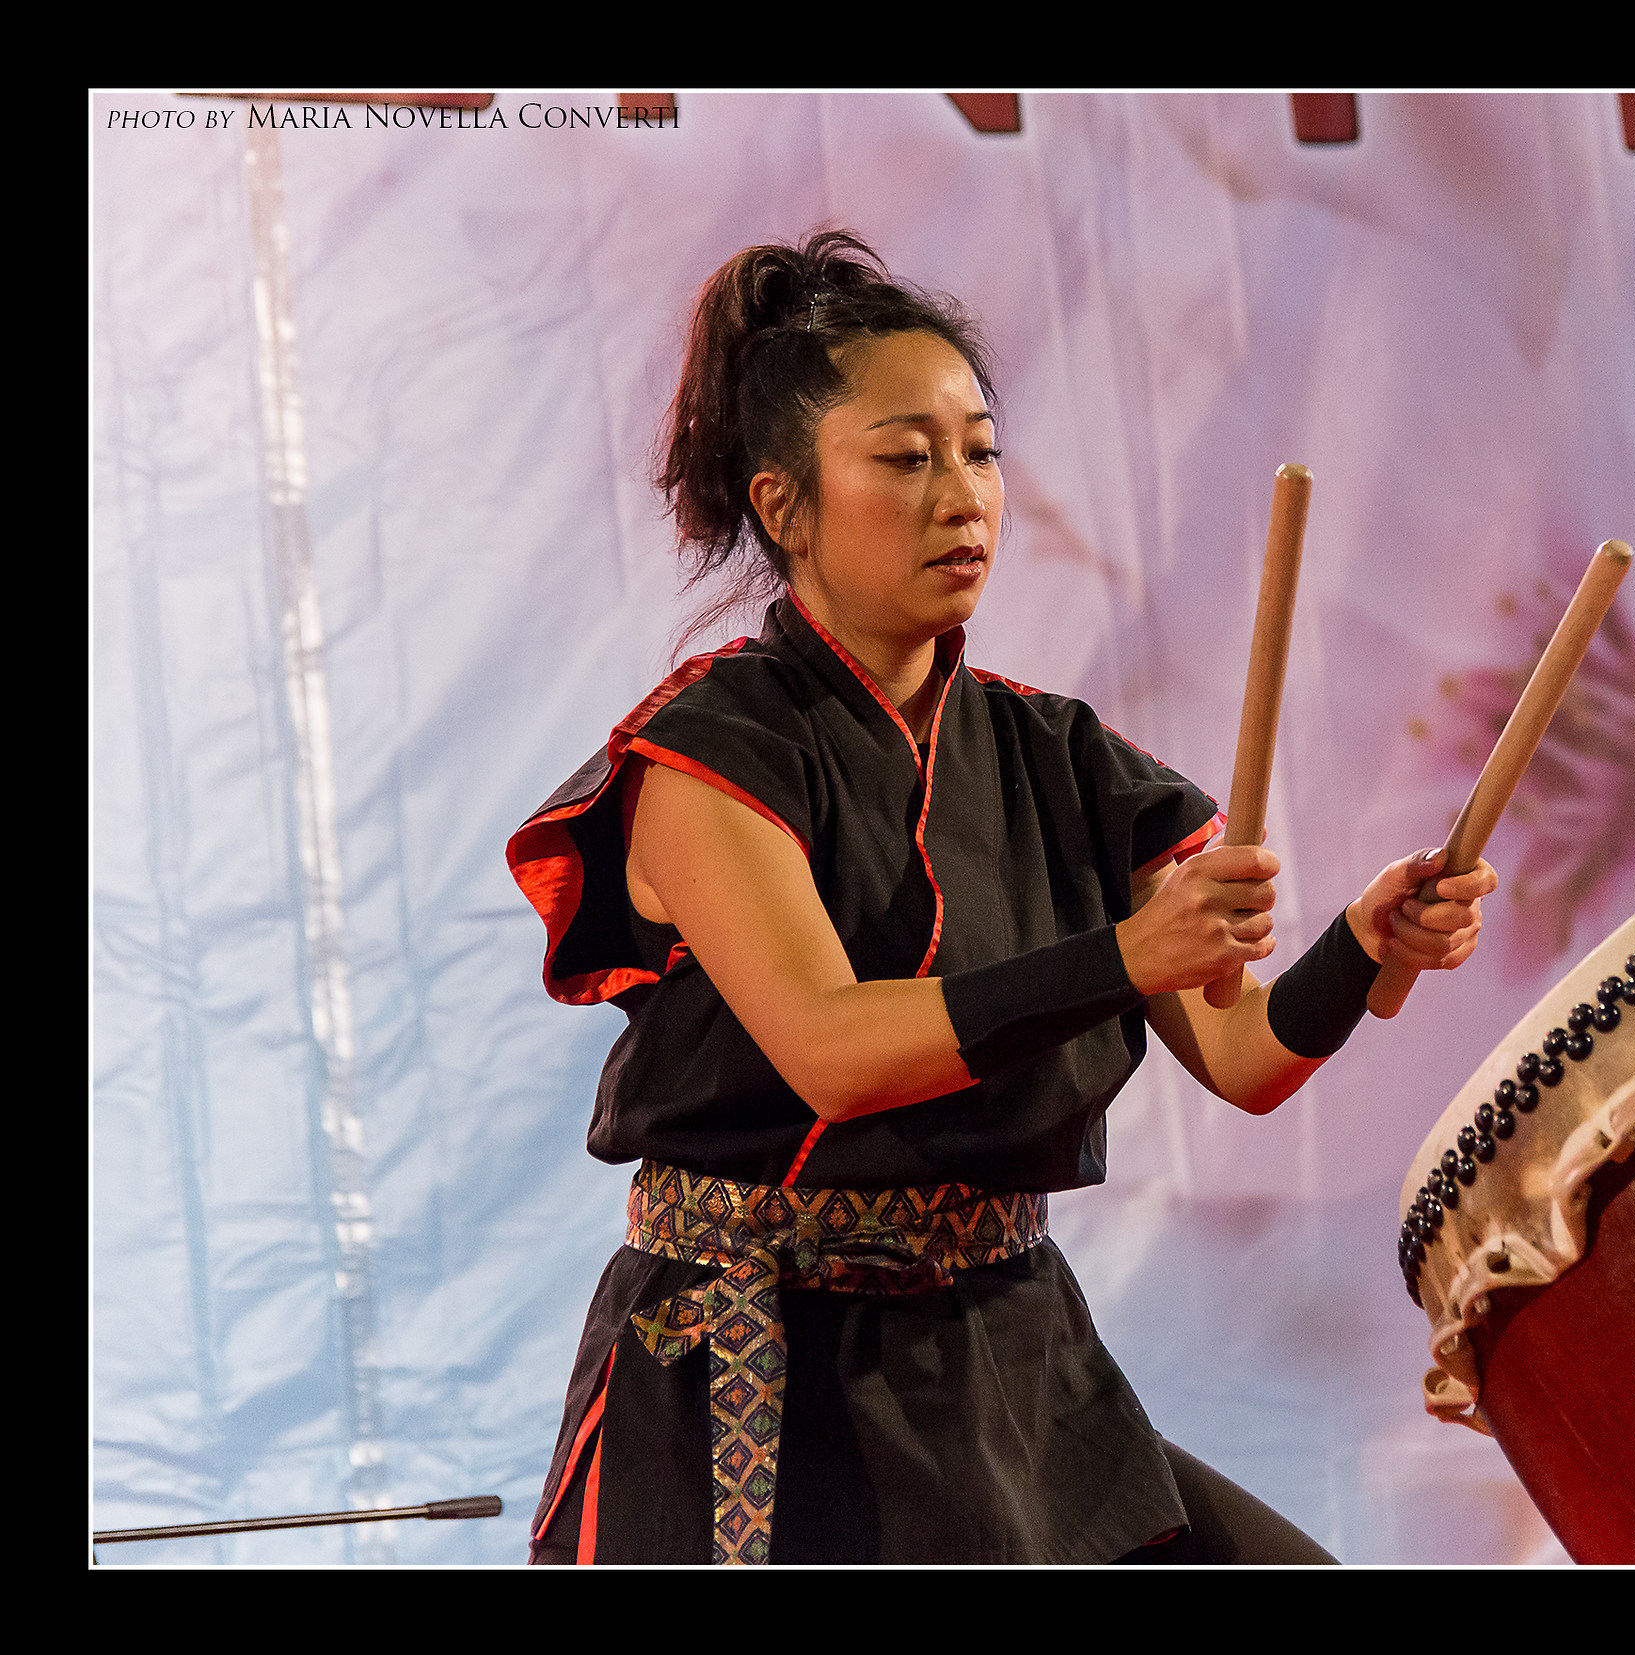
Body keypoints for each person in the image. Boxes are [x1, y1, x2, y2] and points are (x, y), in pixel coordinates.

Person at [508, 229, 1498, 1564]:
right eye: (906, 459)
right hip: (768, 1364)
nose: (961, 495)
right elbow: (834, 1052)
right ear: (785, 504)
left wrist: (1359, 951)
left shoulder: (1060, 757)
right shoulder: (709, 753)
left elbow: (1244, 1053)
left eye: (979, 451)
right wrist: (1122, 958)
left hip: (1004, 1350)